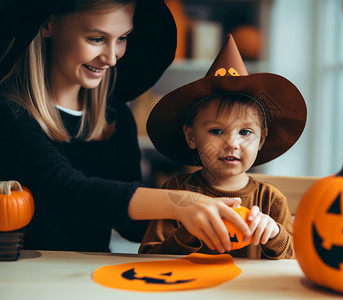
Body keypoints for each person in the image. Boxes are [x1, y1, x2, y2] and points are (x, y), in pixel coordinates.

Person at [0, 0, 252, 253]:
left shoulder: (115, 116)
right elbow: (67, 190)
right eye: (96, 39)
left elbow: (133, 228)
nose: (111, 57)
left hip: (88, 276)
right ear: (47, 25)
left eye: (122, 38)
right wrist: (182, 202)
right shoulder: (9, 112)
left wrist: (214, 199)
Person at [139, 35, 307, 259]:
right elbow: (149, 256)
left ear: (262, 139)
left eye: (245, 132)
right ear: (191, 137)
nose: (231, 143)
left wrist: (275, 234)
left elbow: (295, 261)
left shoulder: (270, 200)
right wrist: (186, 235)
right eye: (216, 131)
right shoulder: (176, 193)